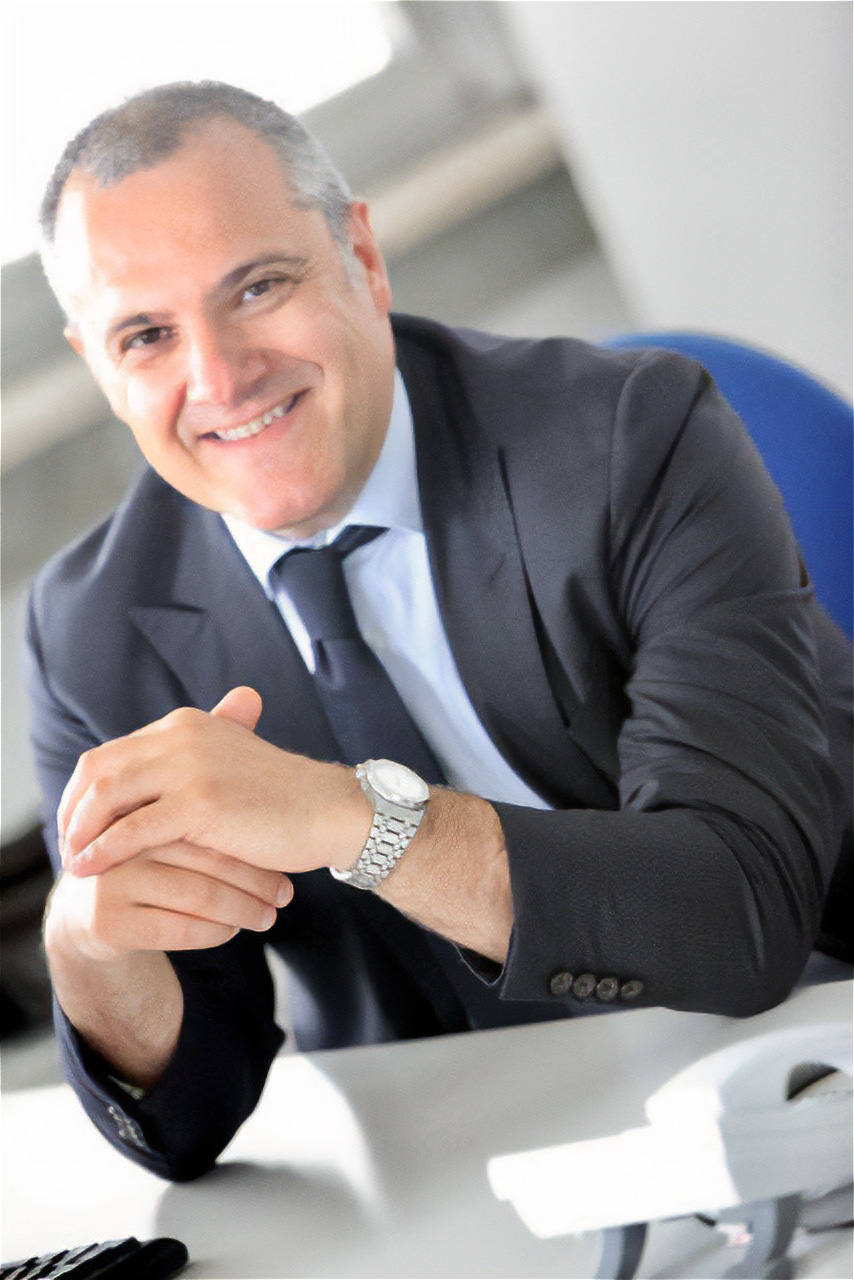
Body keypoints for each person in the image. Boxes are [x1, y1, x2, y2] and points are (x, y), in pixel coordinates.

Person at [29, 82, 851, 1182]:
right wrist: (88, 949)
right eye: (146, 335)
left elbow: (740, 912)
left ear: (361, 257)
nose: (218, 377)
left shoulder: (632, 439)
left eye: (259, 286)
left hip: (802, 1070)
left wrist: (350, 817)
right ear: (98, 364)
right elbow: (187, 1120)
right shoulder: (88, 632)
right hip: (450, 1160)